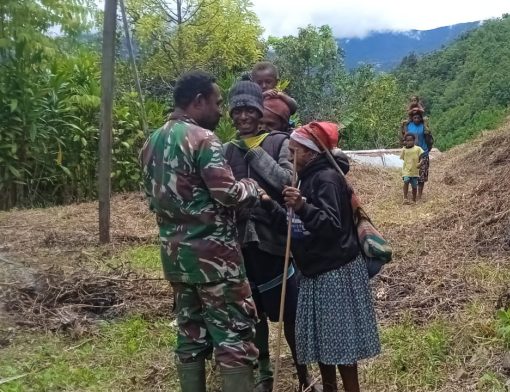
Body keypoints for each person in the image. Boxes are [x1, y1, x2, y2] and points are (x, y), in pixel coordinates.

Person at [138, 71, 261, 392]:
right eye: (217, 103)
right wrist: (251, 186)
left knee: (190, 334)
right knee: (233, 337)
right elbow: (228, 194)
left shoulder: (152, 142)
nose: (221, 110)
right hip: (216, 262)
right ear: (198, 101)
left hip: (178, 260)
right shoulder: (203, 139)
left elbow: (154, 199)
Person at [262, 122, 381, 392]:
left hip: (334, 273)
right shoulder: (306, 178)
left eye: (294, 152)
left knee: (341, 346)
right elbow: (299, 229)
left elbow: (332, 227)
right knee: (323, 346)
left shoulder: (325, 178)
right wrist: (270, 206)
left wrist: (302, 205)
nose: (290, 157)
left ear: (310, 152)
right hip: (316, 272)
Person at [222, 80, 319, 392]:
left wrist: (255, 156)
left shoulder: (278, 142)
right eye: (237, 111)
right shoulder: (225, 150)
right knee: (255, 314)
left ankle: (304, 375)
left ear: (259, 110)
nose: (244, 117)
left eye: (250, 109)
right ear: (231, 115)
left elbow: (286, 180)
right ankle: (265, 374)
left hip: (276, 242)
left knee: (290, 314)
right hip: (241, 243)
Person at [401, 111, 432, 200]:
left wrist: (427, 150)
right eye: (415, 118)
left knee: (422, 175)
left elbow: (429, 139)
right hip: (411, 154)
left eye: (418, 118)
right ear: (412, 118)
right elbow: (404, 138)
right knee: (411, 175)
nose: (417, 119)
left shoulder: (424, 126)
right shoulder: (408, 125)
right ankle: (410, 194)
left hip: (423, 153)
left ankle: (419, 195)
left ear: (421, 118)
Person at [400, 133, 424, 204]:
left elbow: (422, 157)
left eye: (411, 140)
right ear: (405, 141)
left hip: (415, 171)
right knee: (406, 181)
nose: (409, 142)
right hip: (406, 170)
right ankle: (405, 198)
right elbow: (404, 159)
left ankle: (414, 199)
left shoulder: (418, 149)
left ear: (414, 140)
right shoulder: (404, 150)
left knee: (414, 186)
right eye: (407, 141)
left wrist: (420, 163)